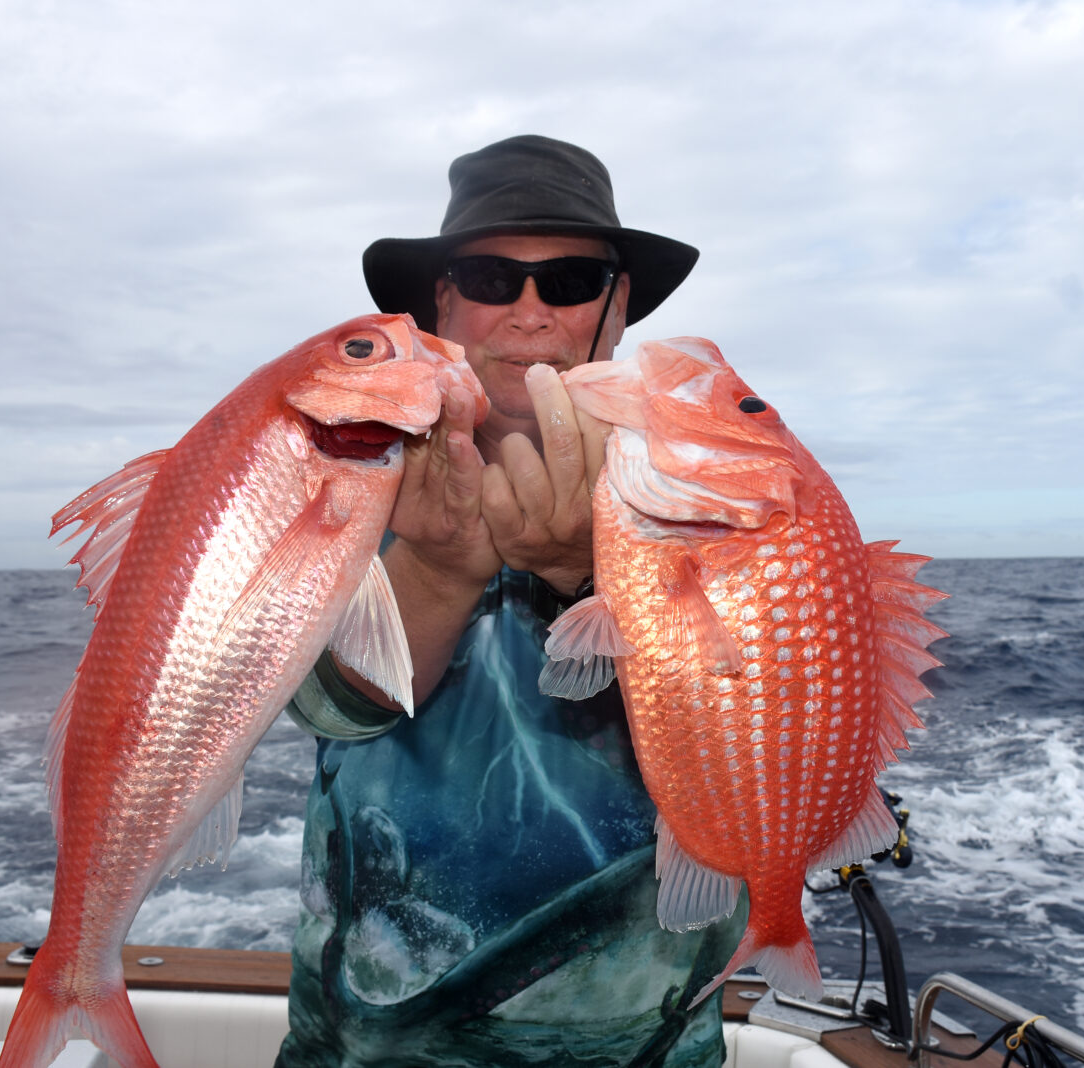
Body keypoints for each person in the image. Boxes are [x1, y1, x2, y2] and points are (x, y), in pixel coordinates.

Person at [274, 135, 743, 1068]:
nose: (529, 313)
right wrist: (442, 569)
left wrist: (601, 579)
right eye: (491, 278)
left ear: (615, 315)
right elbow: (319, 704)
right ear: (442, 307)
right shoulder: (353, 462)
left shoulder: (722, 486)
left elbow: (759, 738)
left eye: (569, 281)